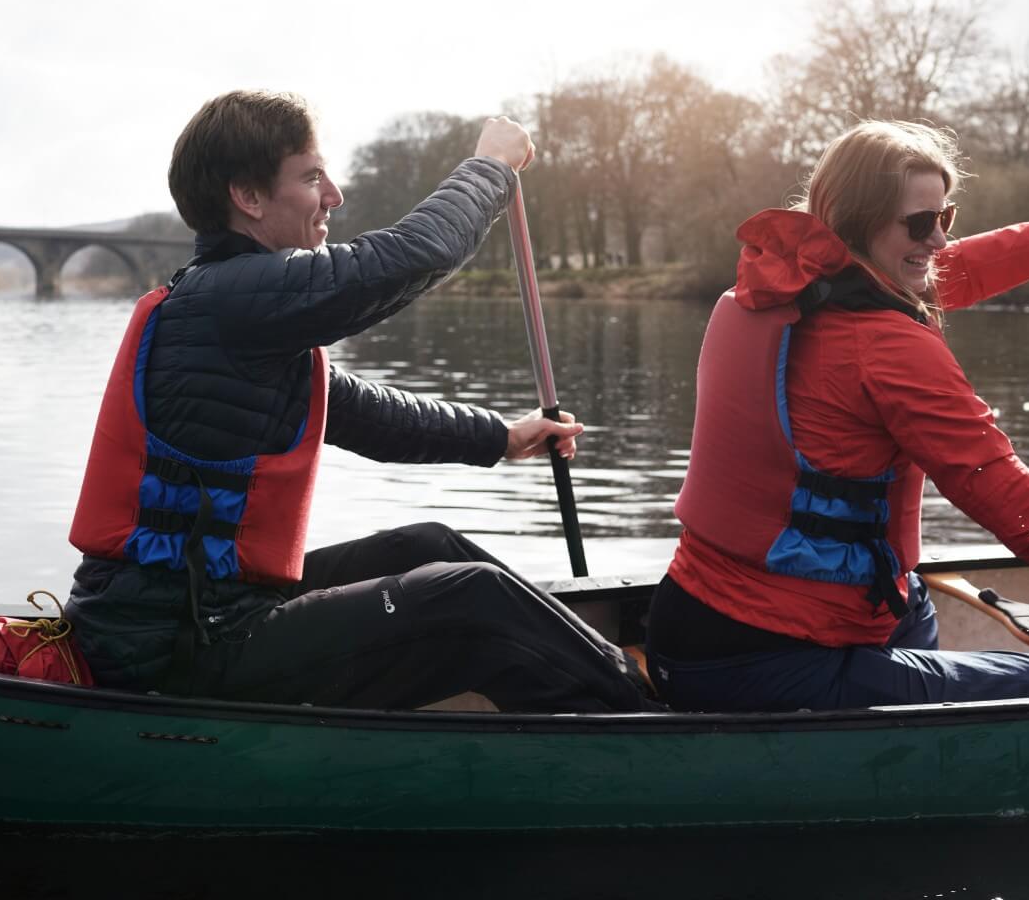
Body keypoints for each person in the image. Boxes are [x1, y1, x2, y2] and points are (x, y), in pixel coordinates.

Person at [648, 119, 1029, 711]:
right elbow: (1012, 503)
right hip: (768, 657)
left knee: (912, 602)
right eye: (922, 222)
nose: (940, 239)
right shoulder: (885, 347)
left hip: (688, 623)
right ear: (856, 224)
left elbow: (950, 268)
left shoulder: (770, 291)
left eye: (945, 215)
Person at [63, 90, 652, 713]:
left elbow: (365, 413)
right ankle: (647, 716)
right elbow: (408, 257)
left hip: (208, 611)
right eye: (312, 176)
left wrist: (502, 437)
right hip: (178, 646)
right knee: (473, 597)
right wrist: (492, 169)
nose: (334, 196)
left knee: (429, 546)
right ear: (250, 197)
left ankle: (609, 683)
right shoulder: (233, 299)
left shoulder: (239, 311)